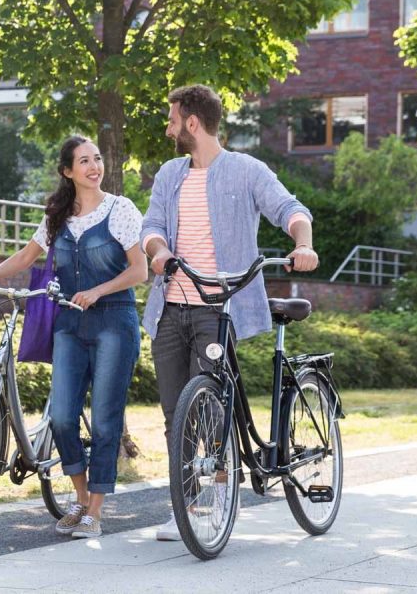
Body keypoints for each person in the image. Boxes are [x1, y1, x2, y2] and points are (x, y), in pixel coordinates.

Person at [140, 84, 319, 541]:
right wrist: (157, 251)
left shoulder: (245, 170)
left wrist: (304, 245)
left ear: (192, 123)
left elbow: (290, 209)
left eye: (172, 119)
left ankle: (219, 498)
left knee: (211, 408)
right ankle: (184, 505)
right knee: (174, 413)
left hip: (217, 308)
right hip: (170, 306)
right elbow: (153, 224)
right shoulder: (169, 174)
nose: (168, 127)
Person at [0, 135, 149, 539]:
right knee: (61, 416)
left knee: (104, 420)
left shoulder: (121, 209)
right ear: (67, 171)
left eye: (97, 158)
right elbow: (27, 257)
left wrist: (98, 290)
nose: (94, 166)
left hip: (114, 322)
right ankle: (79, 499)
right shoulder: (56, 215)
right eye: (84, 161)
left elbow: (139, 271)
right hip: (69, 324)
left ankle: (94, 511)